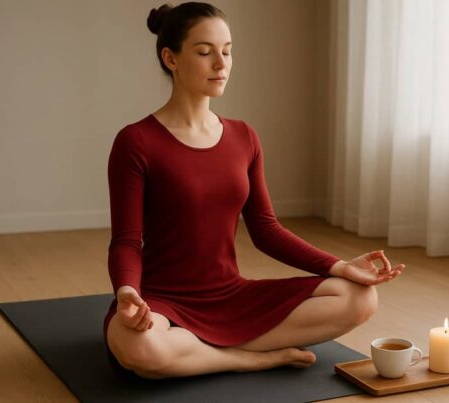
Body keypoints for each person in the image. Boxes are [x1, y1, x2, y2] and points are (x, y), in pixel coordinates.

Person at [104, 2, 406, 380]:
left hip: (232, 296)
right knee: (135, 346)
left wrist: (341, 266)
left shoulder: (243, 136)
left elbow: (265, 229)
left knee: (361, 298)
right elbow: (127, 242)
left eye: (227, 51)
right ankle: (253, 357)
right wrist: (127, 293)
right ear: (171, 58)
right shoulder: (136, 141)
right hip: (163, 302)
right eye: (204, 52)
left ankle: (196, 354)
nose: (221, 63)